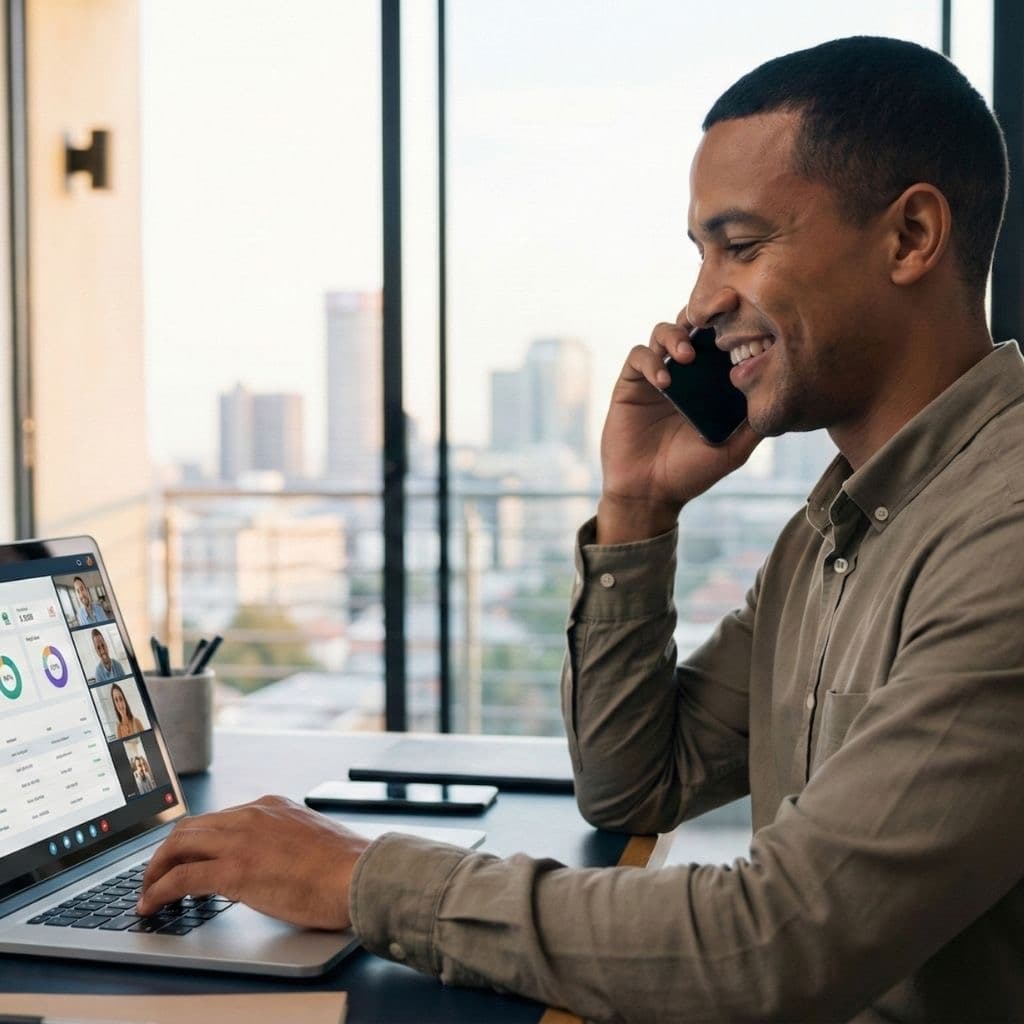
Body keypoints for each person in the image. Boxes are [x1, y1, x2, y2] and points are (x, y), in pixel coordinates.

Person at [136, 36, 1024, 1022]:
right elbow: (636, 784)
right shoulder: (837, 526)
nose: (700, 304)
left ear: (909, 237)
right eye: (700, 255)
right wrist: (636, 507)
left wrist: (357, 877)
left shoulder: (1003, 535)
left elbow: (779, 942)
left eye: (741, 245)